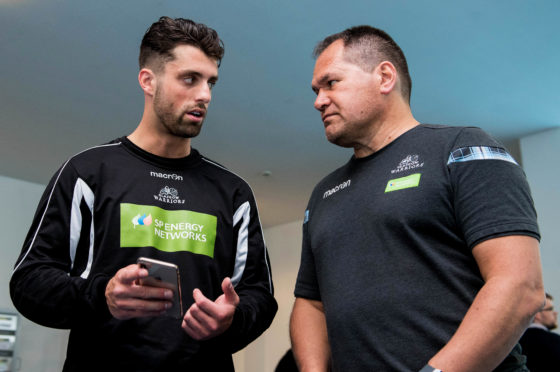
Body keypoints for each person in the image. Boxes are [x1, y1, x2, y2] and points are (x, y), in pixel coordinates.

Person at [10, 16, 277, 371]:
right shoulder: (87, 173)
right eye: (189, 79)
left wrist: (233, 319)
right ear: (148, 81)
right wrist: (101, 295)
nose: (204, 95)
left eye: (211, 82)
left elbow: (260, 295)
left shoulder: (233, 192)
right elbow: (29, 281)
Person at [290, 25, 545, 372]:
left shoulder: (462, 149)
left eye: (331, 83)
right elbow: (311, 303)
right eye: (316, 90)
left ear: (384, 77)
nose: (318, 100)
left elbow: (520, 285)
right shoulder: (323, 193)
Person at [519, 293, 560, 371]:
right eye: (550, 309)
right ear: (537, 314)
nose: (555, 313)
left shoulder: (515, 342)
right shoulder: (554, 341)